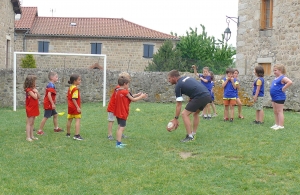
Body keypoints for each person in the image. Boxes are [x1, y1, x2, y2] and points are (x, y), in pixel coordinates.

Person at [167, 70, 211, 142]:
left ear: (174, 77)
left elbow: (179, 104)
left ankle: (190, 137)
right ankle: (193, 133)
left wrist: (175, 118)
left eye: (169, 78)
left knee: (184, 114)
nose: (168, 80)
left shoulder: (178, 86)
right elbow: (194, 87)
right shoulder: (186, 78)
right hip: (207, 95)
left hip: (199, 97)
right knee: (196, 113)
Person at [114, 76, 147, 148]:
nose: (128, 86)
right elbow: (133, 99)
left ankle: (119, 142)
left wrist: (137, 94)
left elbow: (129, 96)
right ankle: (118, 144)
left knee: (119, 127)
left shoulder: (117, 90)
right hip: (122, 112)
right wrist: (141, 96)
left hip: (118, 112)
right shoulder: (125, 92)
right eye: (128, 84)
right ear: (125, 84)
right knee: (121, 128)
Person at [106, 72, 137, 140]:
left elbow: (129, 96)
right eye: (128, 78)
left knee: (120, 122)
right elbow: (131, 97)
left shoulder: (123, 89)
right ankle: (109, 134)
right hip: (113, 106)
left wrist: (137, 94)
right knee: (111, 120)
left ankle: (120, 133)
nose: (130, 79)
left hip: (118, 107)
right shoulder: (119, 88)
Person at [270, 64, 292, 130]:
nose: (274, 72)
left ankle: (281, 125)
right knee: (275, 111)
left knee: (279, 111)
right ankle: (277, 124)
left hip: (279, 97)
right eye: (273, 70)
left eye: (275, 70)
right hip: (274, 97)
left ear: (280, 70)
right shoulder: (276, 78)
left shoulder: (282, 77)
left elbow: (290, 82)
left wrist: (283, 88)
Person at [66, 74, 83, 140]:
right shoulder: (75, 89)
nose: (80, 81)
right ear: (74, 81)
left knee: (69, 120)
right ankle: (76, 135)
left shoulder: (70, 88)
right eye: (79, 80)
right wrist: (78, 107)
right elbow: (74, 98)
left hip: (70, 107)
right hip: (75, 107)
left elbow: (67, 96)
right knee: (77, 120)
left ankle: (68, 134)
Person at [24, 75, 40, 142]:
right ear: (31, 82)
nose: (35, 83)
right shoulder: (28, 90)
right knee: (29, 123)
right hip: (30, 108)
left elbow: (38, 97)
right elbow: (35, 97)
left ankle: (32, 136)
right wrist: (35, 92)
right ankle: (28, 137)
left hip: (34, 107)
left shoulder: (33, 89)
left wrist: (37, 92)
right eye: (34, 82)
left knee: (32, 123)